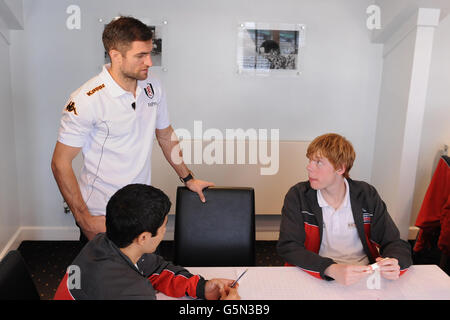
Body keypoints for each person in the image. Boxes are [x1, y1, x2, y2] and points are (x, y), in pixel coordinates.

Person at [51, 16, 213, 244]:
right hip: (102, 212)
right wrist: (84, 219)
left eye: (150, 53)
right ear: (116, 55)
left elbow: (165, 134)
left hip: (140, 208)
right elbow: (60, 163)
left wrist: (187, 178)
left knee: (143, 276)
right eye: (141, 55)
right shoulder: (86, 100)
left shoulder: (153, 86)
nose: (149, 62)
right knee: (104, 278)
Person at [54, 184, 240, 300]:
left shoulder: (101, 243)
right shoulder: (134, 292)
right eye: (163, 226)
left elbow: (154, 268)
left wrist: (200, 288)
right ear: (143, 237)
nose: (165, 231)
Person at [277, 133, 412, 286]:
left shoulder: (366, 195)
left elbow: (394, 242)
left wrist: (395, 262)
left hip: (362, 275)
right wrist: (330, 269)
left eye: (319, 162)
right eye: (310, 160)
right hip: (318, 273)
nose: (309, 167)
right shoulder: (298, 195)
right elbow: (289, 246)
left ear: (340, 168)